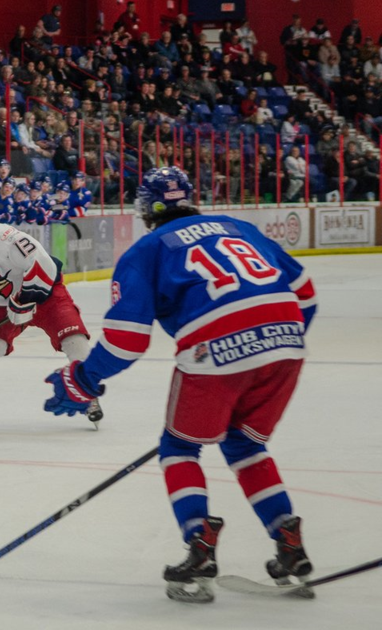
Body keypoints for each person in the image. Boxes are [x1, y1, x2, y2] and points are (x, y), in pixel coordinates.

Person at [44, 166, 317, 604]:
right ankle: (289, 542)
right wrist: (272, 336)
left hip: (217, 348)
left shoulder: (147, 249)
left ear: (147, 209)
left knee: (180, 448)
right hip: (287, 341)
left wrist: (82, 379)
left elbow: (127, 341)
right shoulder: (241, 228)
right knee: (246, 446)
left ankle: (200, 548)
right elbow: (306, 294)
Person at [0, 198, 101, 433]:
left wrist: (25, 300)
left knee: (75, 341)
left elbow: (44, 265)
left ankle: (90, 397)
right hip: (7, 304)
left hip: (47, 296)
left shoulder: (8, 238)